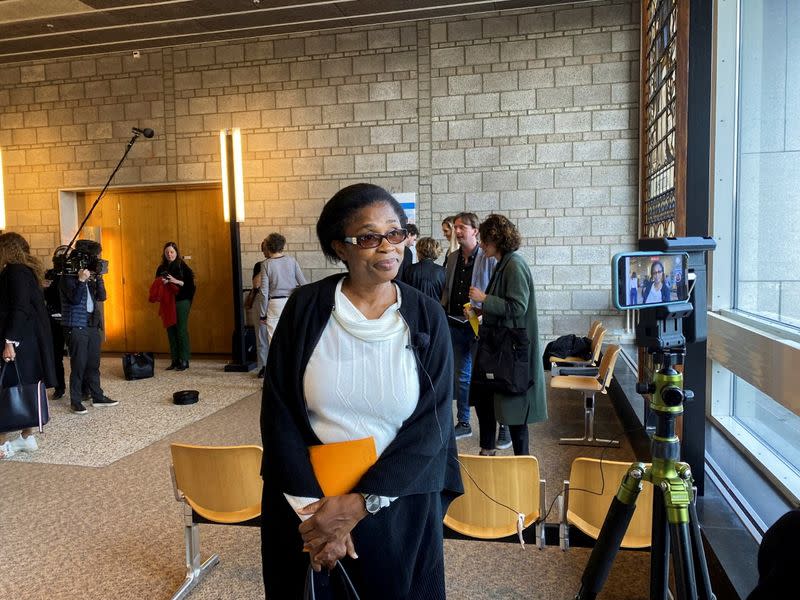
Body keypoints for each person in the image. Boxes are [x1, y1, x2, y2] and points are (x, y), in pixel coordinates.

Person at [260, 183, 462, 599]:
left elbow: (432, 422)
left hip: (398, 502)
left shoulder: (426, 316)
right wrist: (318, 519)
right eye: (369, 237)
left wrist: (359, 505)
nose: (388, 246)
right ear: (341, 247)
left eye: (396, 232)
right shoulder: (306, 308)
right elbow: (279, 412)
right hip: (308, 504)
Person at [467, 214, 548, 456]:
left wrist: (484, 299)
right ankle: (489, 450)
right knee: (487, 400)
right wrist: (482, 308)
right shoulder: (505, 263)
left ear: (497, 239)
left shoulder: (514, 265)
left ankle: (521, 463)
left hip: (511, 350)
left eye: (484, 240)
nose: (481, 244)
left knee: (514, 408)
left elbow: (517, 307)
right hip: (502, 347)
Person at [0, 233, 57, 459]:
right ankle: (26, 437)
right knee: (23, 388)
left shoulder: (14, 272)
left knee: (7, 390)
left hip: (19, 343)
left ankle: (4, 443)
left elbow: (20, 309)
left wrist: (9, 342)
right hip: (29, 343)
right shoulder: (25, 272)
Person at [440, 212, 496, 440]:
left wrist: (484, 309)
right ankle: (463, 421)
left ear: (475, 231)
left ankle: (501, 426)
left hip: (482, 323)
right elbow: (447, 289)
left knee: (491, 375)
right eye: (456, 227)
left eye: (462, 227)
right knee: (461, 376)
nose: (458, 231)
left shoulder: (488, 258)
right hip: (456, 322)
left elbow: (494, 290)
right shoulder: (452, 257)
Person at [60, 240, 117, 414]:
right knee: (79, 365)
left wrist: (98, 277)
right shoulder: (67, 277)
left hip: (92, 325)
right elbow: (75, 300)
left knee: (93, 363)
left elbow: (102, 296)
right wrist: (81, 280)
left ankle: (97, 396)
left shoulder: (91, 276)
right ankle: (76, 400)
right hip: (76, 326)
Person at [254, 232, 306, 373]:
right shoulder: (291, 261)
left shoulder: (266, 264)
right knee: (291, 337)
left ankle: (278, 373)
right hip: (290, 302)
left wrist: (263, 314)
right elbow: (303, 284)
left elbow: (264, 291)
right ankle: (294, 370)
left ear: (268, 246)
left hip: (274, 304)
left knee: (274, 340)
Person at [155, 242, 195, 370]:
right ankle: (175, 360)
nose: (169, 254)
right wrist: (163, 282)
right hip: (167, 301)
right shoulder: (161, 268)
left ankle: (184, 359)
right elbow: (156, 284)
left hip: (181, 300)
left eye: (172, 252)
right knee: (170, 330)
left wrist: (174, 280)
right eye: (167, 252)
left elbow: (190, 285)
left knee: (181, 329)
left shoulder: (182, 265)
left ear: (176, 252)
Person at [43, 254, 66, 399]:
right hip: (53, 319)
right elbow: (47, 296)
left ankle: (84, 387)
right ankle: (59, 387)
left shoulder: (72, 274)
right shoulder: (49, 275)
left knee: (79, 357)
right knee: (56, 356)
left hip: (70, 318)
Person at [403, 237, 446, 301]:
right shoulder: (444, 272)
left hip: (414, 309)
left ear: (419, 252)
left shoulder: (409, 270)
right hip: (437, 309)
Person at [251, 238, 270, 378]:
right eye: (264, 248)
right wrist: (265, 266)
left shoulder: (284, 263)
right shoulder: (260, 265)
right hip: (261, 301)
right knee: (261, 335)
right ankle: (264, 365)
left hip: (276, 301)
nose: (266, 251)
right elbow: (256, 284)